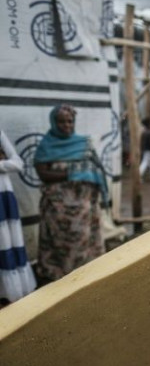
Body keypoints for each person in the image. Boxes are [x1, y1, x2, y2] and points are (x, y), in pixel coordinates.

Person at [34, 105, 107, 282]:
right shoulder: (46, 145)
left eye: (70, 121)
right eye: (61, 121)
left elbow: (97, 169)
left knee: (84, 238)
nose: (67, 125)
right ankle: (62, 278)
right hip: (57, 206)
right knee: (59, 241)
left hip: (84, 205)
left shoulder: (83, 143)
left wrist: (89, 177)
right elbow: (43, 174)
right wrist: (73, 173)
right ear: (53, 122)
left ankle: (85, 277)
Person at [0, 130, 37, 302]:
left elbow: (18, 164)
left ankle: (11, 293)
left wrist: (2, 164)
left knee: (6, 242)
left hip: (3, 197)